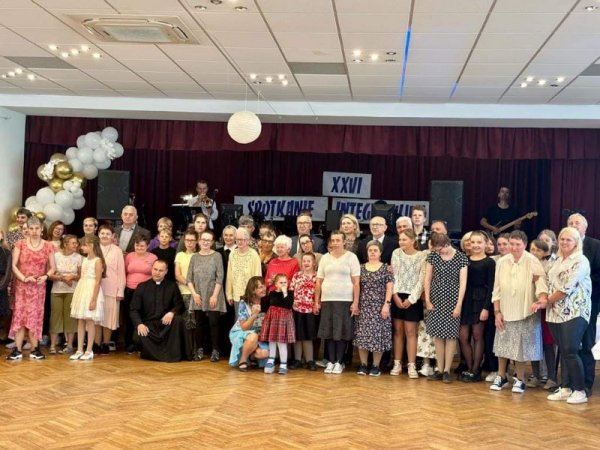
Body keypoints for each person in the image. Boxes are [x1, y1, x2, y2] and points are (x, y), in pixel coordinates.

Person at [533, 227, 591, 404]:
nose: (565, 242)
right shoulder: (557, 261)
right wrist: (542, 296)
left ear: (576, 242)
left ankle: (579, 390)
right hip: (554, 313)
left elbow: (567, 288)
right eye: (562, 239)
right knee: (564, 352)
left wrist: (545, 301)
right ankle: (566, 388)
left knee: (570, 350)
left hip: (575, 312)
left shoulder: (581, 260)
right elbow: (545, 281)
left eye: (569, 239)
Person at [489, 230, 547, 394]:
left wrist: (541, 299)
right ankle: (501, 376)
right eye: (511, 244)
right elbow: (497, 288)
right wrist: (497, 311)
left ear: (525, 245)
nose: (513, 248)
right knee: (502, 344)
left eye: (517, 244)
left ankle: (520, 379)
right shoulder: (502, 262)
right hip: (505, 309)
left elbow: (541, 284)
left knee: (521, 346)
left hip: (525, 310)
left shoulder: (532, 261)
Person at [7, 216, 55, 361]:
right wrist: (23, 278)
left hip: (38, 287)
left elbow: (53, 267)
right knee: (20, 316)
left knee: (35, 317)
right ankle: (17, 349)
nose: (34, 231)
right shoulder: (20, 244)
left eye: (37, 228)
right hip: (22, 286)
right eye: (31, 228)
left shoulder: (48, 246)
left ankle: (35, 349)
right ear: (27, 229)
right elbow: (14, 265)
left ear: (41, 229)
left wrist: (46, 276)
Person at [424, 232, 468, 382]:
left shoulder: (461, 258)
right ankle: (440, 368)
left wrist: (458, 305)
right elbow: (428, 279)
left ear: (446, 244)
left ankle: (447, 370)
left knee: (450, 336)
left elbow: (463, 283)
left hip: (452, 300)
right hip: (436, 300)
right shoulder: (433, 257)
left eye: (440, 249)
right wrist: (428, 300)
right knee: (437, 335)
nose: (439, 252)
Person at [315, 230, 360, 374]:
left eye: (338, 240)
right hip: (327, 299)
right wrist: (316, 301)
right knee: (328, 331)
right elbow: (318, 281)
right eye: (333, 240)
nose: (335, 243)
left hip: (345, 300)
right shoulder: (325, 258)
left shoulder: (351, 257)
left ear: (344, 242)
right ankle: (330, 361)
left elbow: (356, 282)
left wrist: (355, 302)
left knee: (341, 332)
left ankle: (339, 362)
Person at [130, 260, 191, 362]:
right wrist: (139, 324)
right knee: (137, 337)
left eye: (161, 270)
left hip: (166, 324)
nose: (157, 273)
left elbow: (180, 305)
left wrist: (172, 312)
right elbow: (134, 309)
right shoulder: (142, 286)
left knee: (179, 320)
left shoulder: (172, 286)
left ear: (166, 272)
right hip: (148, 325)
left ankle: (173, 353)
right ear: (151, 269)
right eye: (155, 269)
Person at [567, 213, 600, 396]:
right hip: (566, 305)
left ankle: (586, 384)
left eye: (577, 223)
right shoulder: (564, 247)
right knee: (569, 346)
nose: (573, 225)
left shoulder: (595, 245)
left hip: (589, 302)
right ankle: (568, 383)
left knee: (586, 344)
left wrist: (578, 285)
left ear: (585, 227)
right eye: (570, 223)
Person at [458, 231, 495, 383]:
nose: (475, 245)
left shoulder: (489, 262)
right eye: (473, 242)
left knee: (477, 335)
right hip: (465, 299)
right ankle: (469, 366)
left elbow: (492, 286)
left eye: (479, 242)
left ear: (486, 244)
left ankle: (475, 369)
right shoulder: (464, 260)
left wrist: (486, 307)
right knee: (463, 336)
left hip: (480, 300)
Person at [390, 229, 427, 378]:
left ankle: (411, 365)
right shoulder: (396, 253)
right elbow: (394, 275)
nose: (401, 242)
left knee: (411, 332)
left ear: (413, 241)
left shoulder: (422, 256)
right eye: (400, 239)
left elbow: (422, 279)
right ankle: (397, 363)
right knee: (398, 331)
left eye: (404, 239)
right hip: (397, 295)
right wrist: (395, 296)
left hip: (413, 298)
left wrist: (412, 299)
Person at [354, 241, 394, 377]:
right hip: (364, 307)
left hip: (380, 307)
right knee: (362, 336)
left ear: (380, 252)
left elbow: (389, 288)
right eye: (370, 250)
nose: (372, 252)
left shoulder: (386, 268)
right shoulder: (360, 268)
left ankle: (376, 365)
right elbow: (356, 286)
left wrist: (386, 304)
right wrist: (356, 303)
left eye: (375, 250)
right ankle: (363, 364)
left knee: (378, 336)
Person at [186, 231, 227, 362]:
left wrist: (214, 296)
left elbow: (220, 277)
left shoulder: (217, 256)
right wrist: (194, 294)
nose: (205, 242)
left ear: (212, 242)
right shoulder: (194, 257)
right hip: (198, 294)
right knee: (199, 324)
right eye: (203, 239)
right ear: (199, 241)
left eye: (208, 240)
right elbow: (189, 279)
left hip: (214, 293)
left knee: (214, 323)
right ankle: (199, 350)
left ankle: (215, 350)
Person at [527, 239, 558, 391]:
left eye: (538, 250)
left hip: (545, 307)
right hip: (530, 306)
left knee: (547, 343)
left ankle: (551, 377)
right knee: (533, 341)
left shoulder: (550, 266)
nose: (534, 253)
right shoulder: (525, 264)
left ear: (545, 252)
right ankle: (535, 375)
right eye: (532, 249)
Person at [69, 235, 105, 361]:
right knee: (80, 320)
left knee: (90, 320)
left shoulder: (98, 261)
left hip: (91, 290)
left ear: (92, 245)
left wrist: (94, 299)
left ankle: (89, 350)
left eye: (84, 245)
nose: (82, 247)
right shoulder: (84, 260)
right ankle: (79, 349)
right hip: (82, 289)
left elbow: (98, 281)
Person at [123, 234, 157, 353]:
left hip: (146, 291)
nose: (139, 248)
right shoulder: (129, 256)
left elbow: (156, 274)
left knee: (144, 317)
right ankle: (129, 344)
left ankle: (142, 344)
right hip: (130, 290)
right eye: (137, 245)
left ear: (147, 246)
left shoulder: (153, 257)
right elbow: (125, 272)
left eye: (142, 246)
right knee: (129, 317)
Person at [96, 224, 126, 355]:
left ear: (113, 236)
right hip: (95, 288)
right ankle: (96, 344)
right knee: (96, 318)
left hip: (112, 288)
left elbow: (121, 272)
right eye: (102, 233)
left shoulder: (117, 250)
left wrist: (120, 290)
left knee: (108, 318)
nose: (105, 236)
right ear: (98, 234)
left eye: (108, 234)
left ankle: (105, 344)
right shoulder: (94, 248)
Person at [48, 234, 81, 354]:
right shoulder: (55, 256)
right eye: (73, 243)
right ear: (66, 244)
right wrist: (63, 278)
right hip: (56, 291)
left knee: (70, 317)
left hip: (72, 291)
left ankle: (70, 345)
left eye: (76, 243)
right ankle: (52, 345)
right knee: (55, 317)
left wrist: (71, 277)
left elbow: (80, 275)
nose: (76, 245)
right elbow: (49, 274)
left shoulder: (78, 257)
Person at [228, 276, 269, 371]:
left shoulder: (266, 301)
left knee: (264, 353)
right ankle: (243, 360)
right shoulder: (244, 303)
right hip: (241, 332)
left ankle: (251, 357)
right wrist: (254, 315)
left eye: (264, 286)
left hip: (259, 335)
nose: (264, 289)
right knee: (253, 336)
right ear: (253, 290)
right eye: (260, 287)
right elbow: (244, 327)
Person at [260, 273, 295, 375]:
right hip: (273, 320)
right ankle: (271, 360)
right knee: (272, 340)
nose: (283, 284)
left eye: (285, 282)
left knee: (281, 342)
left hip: (283, 321)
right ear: (275, 284)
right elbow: (265, 305)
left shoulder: (289, 293)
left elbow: (288, 305)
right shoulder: (272, 293)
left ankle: (283, 364)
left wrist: (285, 293)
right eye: (281, 282)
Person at [289, 253, 318, 370]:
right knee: (297, 335)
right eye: (304, 261)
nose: (306, 263)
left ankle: (309, 360)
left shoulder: (317, 277)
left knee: (308, 335)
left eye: (308, 261)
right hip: (296, 309)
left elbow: (319, 293)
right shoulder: (297, 275)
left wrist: (317, 304)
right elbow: (291, 290)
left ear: (314, 263)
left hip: (310, 310)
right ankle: (297, 360)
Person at [225, 228, 262, 316]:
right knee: (238, 321)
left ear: (248, 240)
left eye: (243, 239)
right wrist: (229, 294)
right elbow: (229, 276)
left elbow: (258, 277)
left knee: (249, 321)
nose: (240, 242)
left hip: (250, 296)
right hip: (237, 295)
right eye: (238, 239)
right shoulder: (232, 254)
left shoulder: (254, 254)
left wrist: (256, 296)